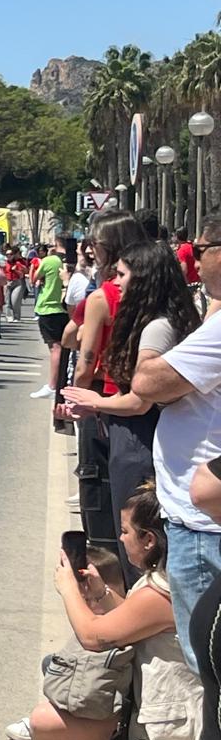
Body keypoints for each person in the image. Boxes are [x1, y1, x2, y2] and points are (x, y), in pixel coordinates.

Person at [15, 486, 199, 740]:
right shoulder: (167, 579)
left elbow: (92, 635)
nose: (122, 538)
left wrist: (69, 589)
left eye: (126, 531)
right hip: (150, 704)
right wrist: (101, 593)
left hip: (166, 724)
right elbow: (138, 621)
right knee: (55, 670)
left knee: (43, 722)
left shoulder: (162, 593)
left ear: (149, 540)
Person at [63, 240, 200, 589]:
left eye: (122, 275)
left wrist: (94, 401)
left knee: (136, 538)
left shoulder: (155, 328)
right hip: (151, 434)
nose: (116, 282)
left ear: (142, 279)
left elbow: (139, 400)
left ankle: (137, 618)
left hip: (138, 436)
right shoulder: (175, 318)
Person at [132, 216, 221, 673]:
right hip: (199, 514)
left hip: (205, 524)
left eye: (200, 249)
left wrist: (148, 352)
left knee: (206, 661)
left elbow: (149, 382)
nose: (194, 258)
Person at [31, 233, 69, 398]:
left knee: (55, 348)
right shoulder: (73, 261)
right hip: (67, 307)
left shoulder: (50, 260)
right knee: (65, 347)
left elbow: (34, 278)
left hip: (49, 307)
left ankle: (53, 385)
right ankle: (61, 382)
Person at [3, 245, 29, 322]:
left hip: (17, 282)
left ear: (13, 255)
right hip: (7, 282)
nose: (9, 256)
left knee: (15, 300)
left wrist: (16, 270)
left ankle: (16, 316)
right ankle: (9, 316)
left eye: (10, 254)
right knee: (7, 301)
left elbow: (24, 272)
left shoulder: (18, 262)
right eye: (7, 254)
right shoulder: (4, 263)